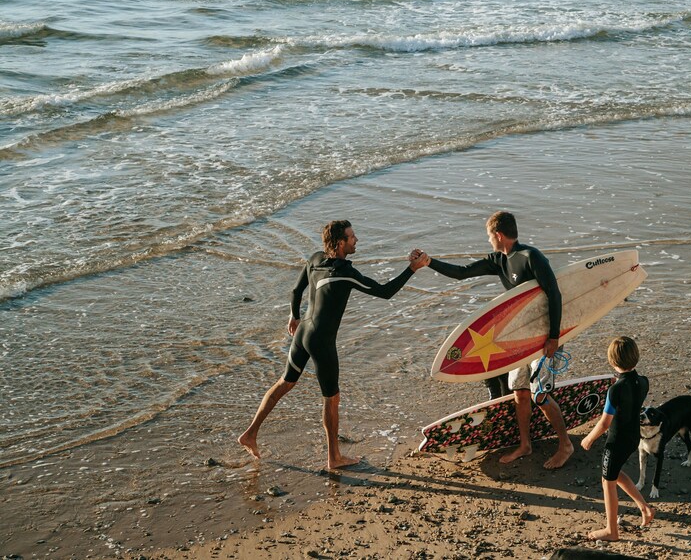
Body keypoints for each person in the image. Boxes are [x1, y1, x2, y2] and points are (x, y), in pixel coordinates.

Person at [238, 220, 429, 470]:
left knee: (285, 383)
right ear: (341, 243)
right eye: (352, 237)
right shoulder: (345, 273)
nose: (356, 240)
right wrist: (412, 269)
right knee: (331, 398)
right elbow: (385, 292)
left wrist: (294, 316)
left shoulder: (315, 259)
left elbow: (296, 291)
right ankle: (334, 458)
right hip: (321, 340)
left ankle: (250, 433)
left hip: (304, 331)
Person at [423, 211, 574, 469]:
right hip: (518, 339)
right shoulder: (498, 260)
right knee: (520, 392)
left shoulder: (530, 257)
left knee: (540, 394)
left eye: (489, 236)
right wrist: (429, 262)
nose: (488, 241)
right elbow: (461, 273)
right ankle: (525, 445)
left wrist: (553, 337)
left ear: (498, 235)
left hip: (545, 337)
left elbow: (555, 294)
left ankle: (566, 445)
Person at [580, 336, 654, 541]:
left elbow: (604, 423)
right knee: (615, 472)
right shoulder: (643, 381)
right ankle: (644, 508)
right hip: (633, 437)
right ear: (636, 357)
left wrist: (589, 439)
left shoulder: (615, 390)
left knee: (607, 482)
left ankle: (611, 530)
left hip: (616, 440)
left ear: (612, 361)